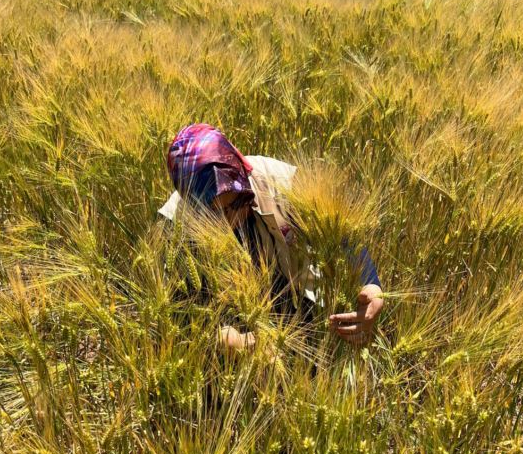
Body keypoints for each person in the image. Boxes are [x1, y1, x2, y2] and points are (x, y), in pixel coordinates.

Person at [158, 123, 384, 350]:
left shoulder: (281, 181)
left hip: (294, 294)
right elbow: (181, 311)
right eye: (214, 215)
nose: (229, 220)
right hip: (235, 316)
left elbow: (341, 232)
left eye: (237, 201)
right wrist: (220, 337)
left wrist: (371, 285)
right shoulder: (176, 225)